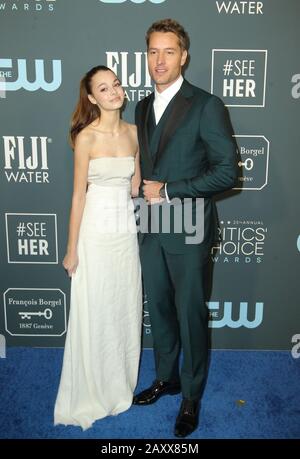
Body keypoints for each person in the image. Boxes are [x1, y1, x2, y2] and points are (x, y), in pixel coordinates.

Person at [133, 19, 237, 437]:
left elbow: (227, 172)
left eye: (169, 52)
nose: (160, 60)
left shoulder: (206, 104)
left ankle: (191, 395)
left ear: (184, 56)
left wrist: (171, 189)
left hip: (189, 224)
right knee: (158, 308)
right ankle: (166, 378)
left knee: (190, 314)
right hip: (150, 224)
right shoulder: (141, 106)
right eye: (153, 52)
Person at [54, 65, 142, 430]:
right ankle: (93, 386)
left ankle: (119, 382)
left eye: (116, 84)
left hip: (124, 233)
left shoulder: (136, 133)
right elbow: (78, 195)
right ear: (92, 98)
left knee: (123, 305)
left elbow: (135, 183)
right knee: (96, 308)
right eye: (104, 89)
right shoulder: (85, 138)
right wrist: (72, 248)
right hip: (94, 233)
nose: (114, 92)